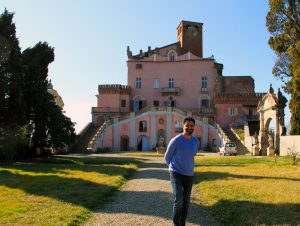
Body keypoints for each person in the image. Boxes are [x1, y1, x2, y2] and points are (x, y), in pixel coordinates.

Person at [164, 117, 199, 226]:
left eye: (191, 126)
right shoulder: (176, 140)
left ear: (194, 127)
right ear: (183, 126)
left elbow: (192, 154)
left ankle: (182, 223)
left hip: (189, 174)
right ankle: (176, 223)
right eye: (187, 125)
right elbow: (167, 156)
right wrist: (172, 168)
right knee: (179, 200)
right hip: (176, 173)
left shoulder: (195, 141)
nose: (189, 127)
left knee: (186, 203)